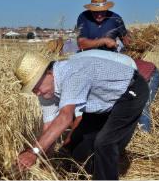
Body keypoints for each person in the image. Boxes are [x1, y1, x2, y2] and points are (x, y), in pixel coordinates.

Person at [14, 51, 148, 180]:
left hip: (130, 92)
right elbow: (48, 128)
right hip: (102, 102)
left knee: (105, 143)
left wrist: (33, 152)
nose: (37, 93)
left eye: (36, 86)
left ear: (49, 73)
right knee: (79, 146)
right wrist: (42, 163)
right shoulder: (46, 91)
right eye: (33, 89)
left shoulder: (72, 73)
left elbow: (65, 118)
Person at [76, 0, 159, 133]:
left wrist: (140, 41)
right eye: (95, 12)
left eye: (102, 12)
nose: (99, 15)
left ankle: (144, 136)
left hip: (111, 64)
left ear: (107, 8)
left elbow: (126, 40)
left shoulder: (116, 18)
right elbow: (81, 43)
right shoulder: (83, 17)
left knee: (139, 108)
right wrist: (103, 41)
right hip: (92, 63)